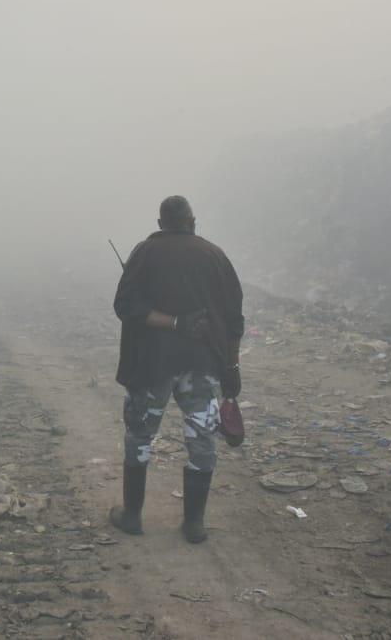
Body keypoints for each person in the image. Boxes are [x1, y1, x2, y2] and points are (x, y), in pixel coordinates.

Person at [110, 195, 244, 543]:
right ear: (192, 221)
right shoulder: (215, 256)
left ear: (160, 224)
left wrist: (171, 323)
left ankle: (132, 516)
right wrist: (232, 367)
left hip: (153, 365)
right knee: (202, 439)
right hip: (203, 365)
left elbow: (125, 306)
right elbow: (233, 321)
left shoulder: (144, 253)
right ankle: (194, 524)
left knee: (140, 434)